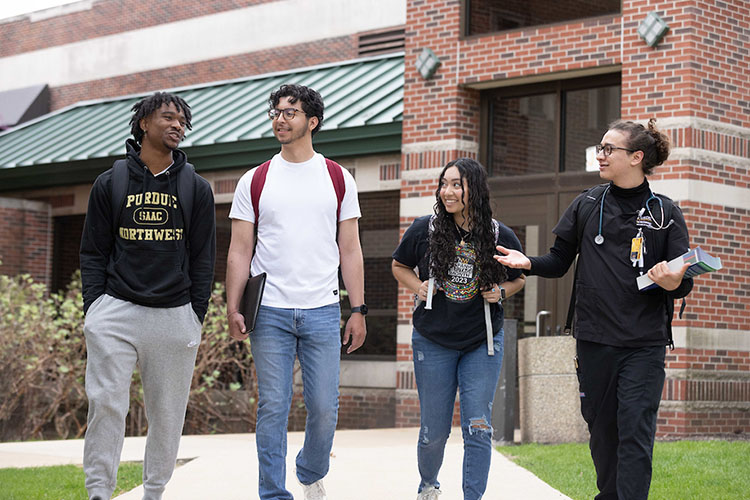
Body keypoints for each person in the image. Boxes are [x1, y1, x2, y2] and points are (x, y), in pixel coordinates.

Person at [496, 119, 693, 500]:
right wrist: (528, 263)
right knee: (603, 436)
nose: (600, 155)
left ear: (636, 157)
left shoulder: (666, 214)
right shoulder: (586, 204)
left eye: (609, 149)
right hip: (594, 340)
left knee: (635, 431)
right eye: (600, 147)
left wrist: (673, 281)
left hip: (643, 345)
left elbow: (682, 280)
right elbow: (558, 260)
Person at [226, 84, 366, 500]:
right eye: (276, 111)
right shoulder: (255, 180)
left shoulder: (339, 179)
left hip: (323, 309)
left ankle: (310, 470)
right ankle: (273, 492)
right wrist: (233, 306)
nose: (280, 118)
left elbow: (351, 249)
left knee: (324, 407)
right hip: (269, 311)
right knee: (273, 406)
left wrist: (357, 309)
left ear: (312, 122)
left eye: (291, 112)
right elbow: (239, 249)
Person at [79, 92, 216, 500]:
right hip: (116, 311)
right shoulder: (111, 182)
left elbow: (203, 258)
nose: (177, 126)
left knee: (168, 416)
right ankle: (99, 493)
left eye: (182, 122)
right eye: (168, 118)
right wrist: (95, 309)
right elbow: (93, 251)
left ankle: (154, 492)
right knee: (105, 405)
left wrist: (195, 315)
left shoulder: (197, 189)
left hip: (174, 316)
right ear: (143, 123)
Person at [392, 158, 525, 500]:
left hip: (482, 342)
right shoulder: (425, 229)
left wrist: (501, 292)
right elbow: (399, 265)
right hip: (433, 340)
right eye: (444, 184)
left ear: (474, 190)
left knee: (478, 427)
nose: (447, 192)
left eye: (456, 185)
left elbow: (519, 276)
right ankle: (428, 486)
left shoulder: (498, 234)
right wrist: (418, 286)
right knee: (434, 430)